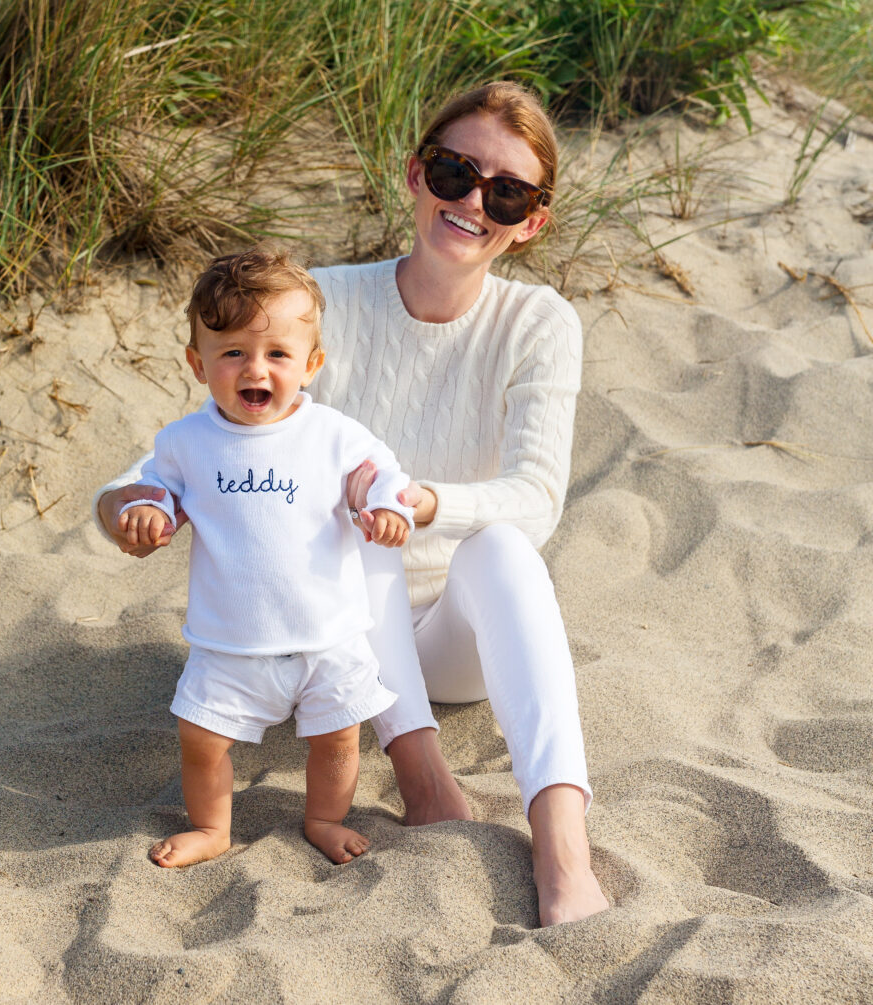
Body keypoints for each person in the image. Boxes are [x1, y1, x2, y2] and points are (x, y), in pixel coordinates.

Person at [95, 81, 609, 925]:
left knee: (504, 547)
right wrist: (129, 508)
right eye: (454, 172)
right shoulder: (322, 299)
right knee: (352, 523)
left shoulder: (539, 322)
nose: (473, 202)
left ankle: (562, 847)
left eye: (507, 192)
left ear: (532, 221)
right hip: (323, 640)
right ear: (415, 174)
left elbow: (536, 498)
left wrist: (418, 501)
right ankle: (422, 776)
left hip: (455, 640)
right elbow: (186, 450)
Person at [111, 247, 413, 868]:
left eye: (277, 354)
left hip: (328, 637)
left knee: (338, 739)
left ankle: (324, 818)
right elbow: (157, 490)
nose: (256, 369)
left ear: (311, 364)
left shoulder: (332, 434)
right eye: (232, 353)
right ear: (198, 363)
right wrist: (146, 512)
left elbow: (381, 474)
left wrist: (387, 508)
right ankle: (212, 828)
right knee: (201, 739)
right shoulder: (186, 442)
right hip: (229, 644)